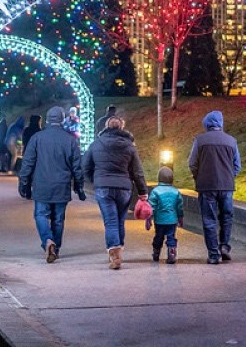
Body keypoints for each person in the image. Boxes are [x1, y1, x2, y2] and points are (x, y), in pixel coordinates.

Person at [18, 106, 84, 264]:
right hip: (62, 185)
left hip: (42, 184)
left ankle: (48, 241)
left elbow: (27, 163)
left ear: (47, 120)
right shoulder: (70, 140)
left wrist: (23, 182)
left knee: (41, 215)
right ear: (62, 119)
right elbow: (77, 166)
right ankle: (56, 248)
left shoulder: (37, 138)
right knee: (58, 219)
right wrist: (79, 186)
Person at [81, 116, 147, 270]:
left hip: (103, 187)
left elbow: (85, 166)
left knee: (110, 222)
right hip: (124, 188)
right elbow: (137, 171)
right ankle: (119, 249)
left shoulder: (96, 144)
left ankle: (114, 253)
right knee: (120, 220)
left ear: (106, 126)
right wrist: (143, 191)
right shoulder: (130, 146)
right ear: (121, 127)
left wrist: (95, 180)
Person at [188, 111, 241, 264]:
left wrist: (199, 177)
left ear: (207, 124)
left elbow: (192, 163)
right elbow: (237, 165)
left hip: (206, 186)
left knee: (209, 220)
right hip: (227, 186)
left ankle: (213, 254)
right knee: (226, 217)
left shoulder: (200, 140)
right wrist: (229, 176)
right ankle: (224, 246)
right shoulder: (232, 141)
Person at [147, 167, 184, 264]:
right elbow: (179, 206)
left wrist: (148, 219)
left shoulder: (155, 191)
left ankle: (156, 252)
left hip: (159, 220)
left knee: (158, 236)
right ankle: (171, 253)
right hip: (172, 220)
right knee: (171, 236)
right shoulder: (176, 192)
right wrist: (180, 217)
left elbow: (151, 207)